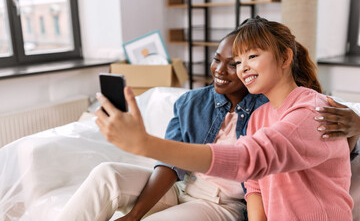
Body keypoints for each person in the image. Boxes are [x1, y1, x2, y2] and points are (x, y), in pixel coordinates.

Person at [95, 17, 354, 220]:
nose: (243, 68)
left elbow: (249, 160)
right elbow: (253, 186)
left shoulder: (312, 111)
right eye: (238, 61)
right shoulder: (259, 116)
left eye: (251, 57)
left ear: (285, 57)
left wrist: (145, 144)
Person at [55, 29, 268, 221]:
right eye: (216, 60)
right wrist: (134, 215)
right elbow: (170, 164)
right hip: (182, 189)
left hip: (221, 205)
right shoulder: (192, 102)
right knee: (107, 175)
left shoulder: (265, 110)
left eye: (232, 64)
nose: (219, 70)